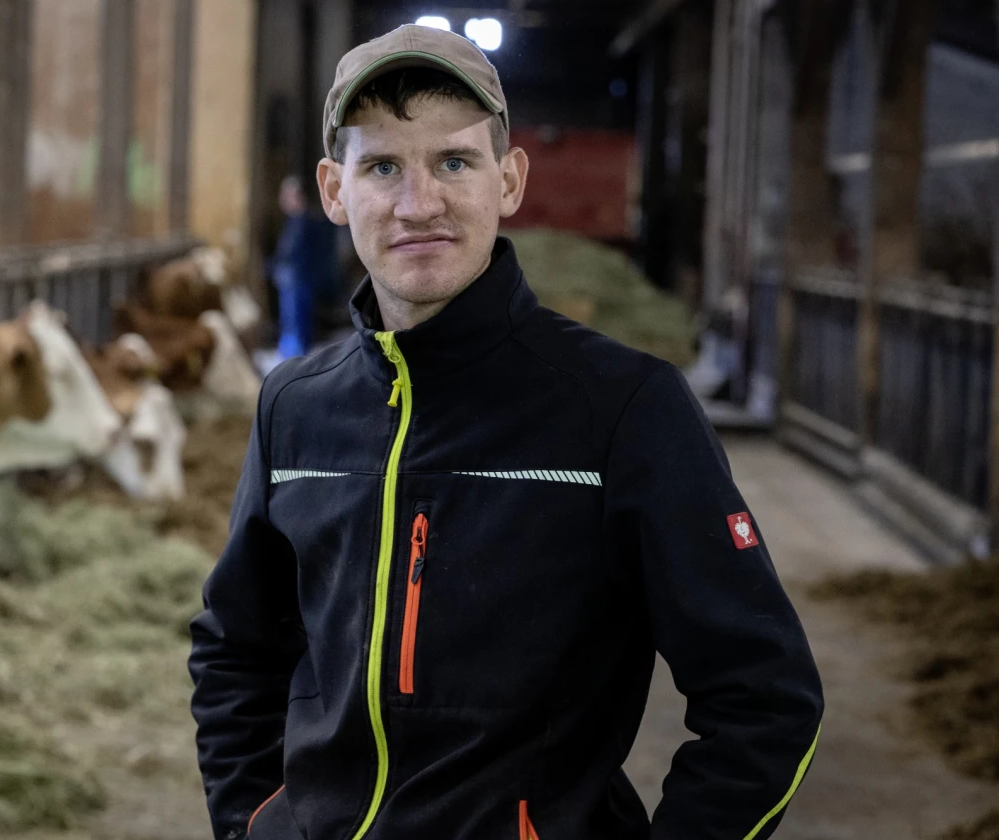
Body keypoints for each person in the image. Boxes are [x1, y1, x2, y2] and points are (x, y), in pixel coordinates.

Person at [189, 23, 823, 840]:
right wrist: (251, 825)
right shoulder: (295, 407)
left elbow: (763, 694)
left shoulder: (624, 408)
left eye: (454, 161)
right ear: (334, 190)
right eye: (382, 166)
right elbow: (235, 649)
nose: (420, 204)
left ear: (510, 179)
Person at [269, 175, 338, 358]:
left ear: (297, 196)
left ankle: (296, 358)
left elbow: (298, 255)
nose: (282, 200)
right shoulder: (293, 221)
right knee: (290, 322)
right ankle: (289, 354)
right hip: (291, 281)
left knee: (298, 323)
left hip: (299, 282)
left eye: (286, 195)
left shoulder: (306, 222)